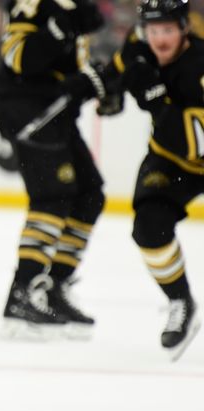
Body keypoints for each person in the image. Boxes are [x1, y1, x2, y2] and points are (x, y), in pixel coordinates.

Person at [0, 0, 112, 340]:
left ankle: (53, 287)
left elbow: (65, 75)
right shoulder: (36, 5)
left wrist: (90, 82)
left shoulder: (76, 7)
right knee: (51, 197)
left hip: (56, 113)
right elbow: (19, 58)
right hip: (27, 110)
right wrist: (62, 28)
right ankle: (22, 293)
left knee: (89, 195)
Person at [111, 0, 202, 359]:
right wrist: (85, 86)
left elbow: (195, 143)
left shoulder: (199, 68)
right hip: (168, 160)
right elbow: (117, 69)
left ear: (184, 29)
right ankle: (181, 301)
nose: (159, 40)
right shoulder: (141, 46)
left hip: (191, 148)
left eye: (167, 30)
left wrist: (156, 101)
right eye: (153, 31)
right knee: (149, 228)